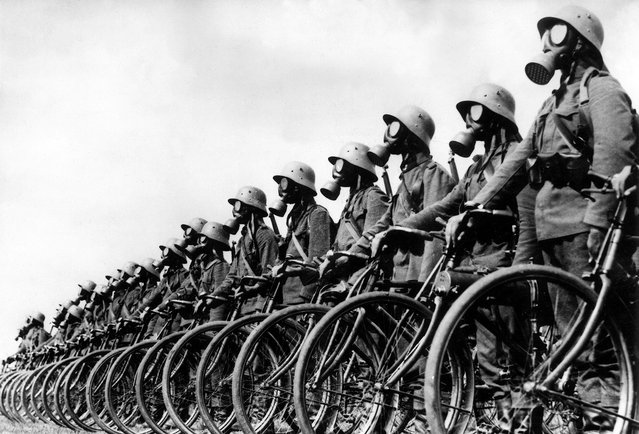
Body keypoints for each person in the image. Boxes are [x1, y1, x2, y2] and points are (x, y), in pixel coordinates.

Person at [445, 6, 638, 431]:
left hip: (586, 230)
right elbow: (517, 161)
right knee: (573, 340)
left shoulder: (603, 91)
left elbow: (614, 159)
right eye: (545, 36)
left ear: (579, 42)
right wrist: (476, 206)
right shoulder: (553, 102)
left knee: (595, 345)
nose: (546, 45)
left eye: (556, 35)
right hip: (555, 231)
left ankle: (606, 425)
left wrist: (601, 230)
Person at [355, 105, 456, 281]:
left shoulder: (433, 173)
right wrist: (352, 251)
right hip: (398, 269)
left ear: (413, 136)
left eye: (397, 129)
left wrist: (426, 284)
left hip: (416, 272)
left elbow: (435, 231)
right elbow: (384, 222)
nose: (390, 135)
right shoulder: (407, 179)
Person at [318, 142, 390, 281]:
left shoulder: (373, 196)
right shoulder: (351, 201)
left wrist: (349, 255)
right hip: (342, 273)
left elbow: (373, 238)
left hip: (360, 274)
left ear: (359, 170)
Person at [270, 161, 331, 304]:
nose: (281, 189)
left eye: (285, 183)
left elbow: (317, 262)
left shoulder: (317, 214)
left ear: (298, 187)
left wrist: (307, 296)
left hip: (304, 295)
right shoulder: (295, 218)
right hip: (288, 294)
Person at [214, 186, 279, 314]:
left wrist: (252, 290)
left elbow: (269, 275)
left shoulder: (265, 235)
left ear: (252, 208)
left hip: (260, 306)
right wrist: (215, 295)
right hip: (242, 307)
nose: (234, 210)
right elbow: (232, 276)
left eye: (238, 205)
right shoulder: (242, 240)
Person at [196, 221, 232, 320]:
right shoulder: (207, 266)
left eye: (203, 239)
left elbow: (220, 298)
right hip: (204, 317)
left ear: (213, 241)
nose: (200, 242)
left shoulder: (221, 266)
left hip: (214, 317)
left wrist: (213, 327)